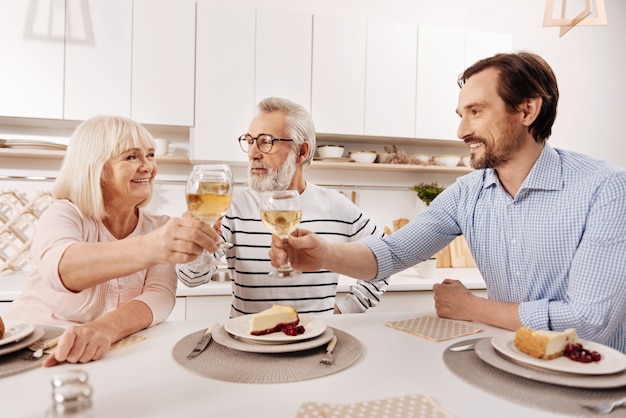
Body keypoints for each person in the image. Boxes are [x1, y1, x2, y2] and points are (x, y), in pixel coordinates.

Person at [268, 52, 626, 353]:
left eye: (477, 111)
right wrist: (325, 254)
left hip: (592, 384)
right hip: (514, 363)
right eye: (461, 115)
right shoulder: (467, 193)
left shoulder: (604, 188)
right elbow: (392, 253)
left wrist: (473, 308)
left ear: (527, 110)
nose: (461, 131)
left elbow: (590, 320)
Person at [4, 115, 219, 366]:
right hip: (25, 350)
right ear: (95, 167)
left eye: (150, 155)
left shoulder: (158, 226)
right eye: (131, 157)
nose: (148, 166)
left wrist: (105, 329)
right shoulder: (64, 214)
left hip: (96, 352)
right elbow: (61, 269)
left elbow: (159, 295)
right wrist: (155, 246)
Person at [177, 97, 389, 317]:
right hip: (249, 344)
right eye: (250, 141)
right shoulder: (231, 206)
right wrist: (197, 246)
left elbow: (386, 258)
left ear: (301, 152)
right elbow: (190, 278)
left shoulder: (338, 207)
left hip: (317, 343)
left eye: (266, 141)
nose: (252, 153)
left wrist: (346, 310)